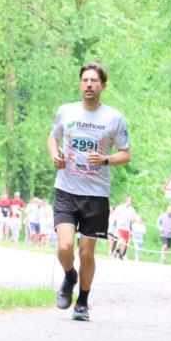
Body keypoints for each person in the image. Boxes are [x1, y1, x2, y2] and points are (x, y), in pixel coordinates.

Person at [48, 62, 132, 321]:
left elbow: (126, 154)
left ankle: (83, 302)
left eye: (94, 81)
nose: (88, 84)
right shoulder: (66, 111)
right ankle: (70, 275)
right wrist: (55, 155)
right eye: (85, 80)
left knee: (86, 251)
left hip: (96, 194)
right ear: (80, 84)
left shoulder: (114, 118)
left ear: (103, 86)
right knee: (64, 247)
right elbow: (54, 138)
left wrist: (105, 159)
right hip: (66, 189)